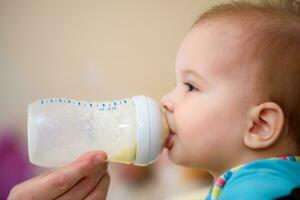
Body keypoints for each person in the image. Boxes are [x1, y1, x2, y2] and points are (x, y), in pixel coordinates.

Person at [8, 0, 300, 199]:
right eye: (175, 84)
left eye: (190, 86)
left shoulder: (260, 189)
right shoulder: (256, 180)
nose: (166, 100)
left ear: (259, 125)